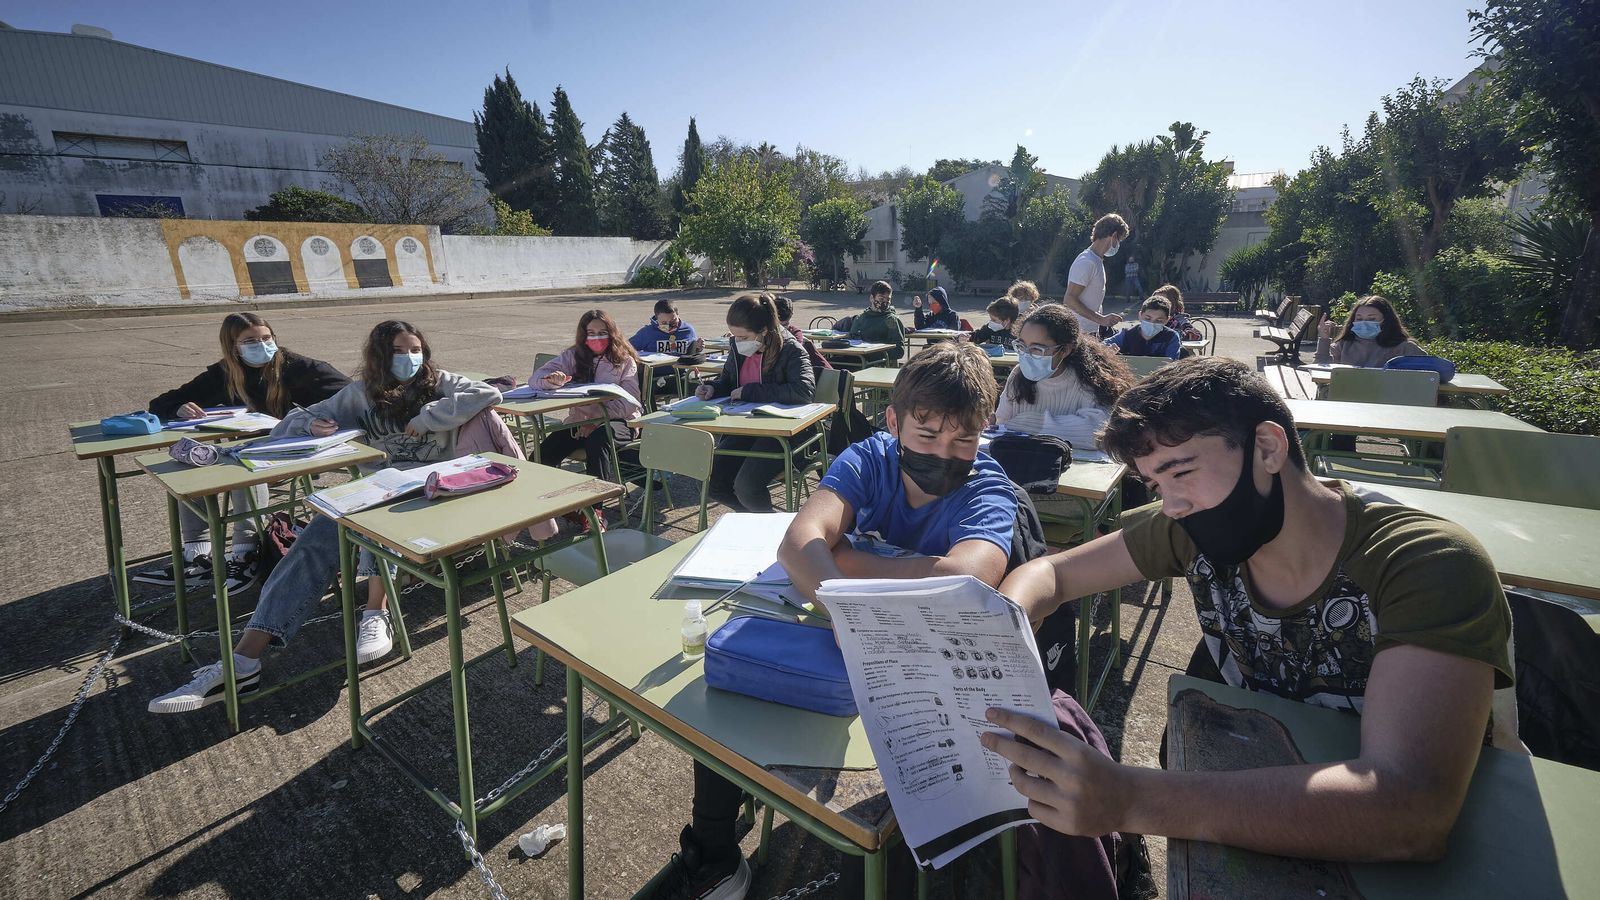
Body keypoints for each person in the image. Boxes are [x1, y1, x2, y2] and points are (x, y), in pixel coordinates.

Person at [986, 358, 1512, 877]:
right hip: (1260, 804)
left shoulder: (1425, 563)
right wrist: (1001, 622)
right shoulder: (1190, 526)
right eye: (1156, 486)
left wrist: (1129, 799)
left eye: (1182, 472)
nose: (1172, 505)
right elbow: (1050, 573)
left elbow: (1410, 810)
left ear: (1267, 447)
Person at [647, 341, 1018, 900]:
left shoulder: (986, 484)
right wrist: (850, 599)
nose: (944, 453)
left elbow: (967, 579)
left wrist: (844, 560)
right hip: (837, 641)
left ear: (982, 431)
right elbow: (799, 541)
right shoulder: (870, 459)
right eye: (926, 436)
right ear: (893, 422)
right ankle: (714, 854)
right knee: (739, 698)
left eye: (963, 440)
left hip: (922, 670)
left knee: (877, 799)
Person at [148, 320, 505, 714]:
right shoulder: (361, 393)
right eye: (398, 352)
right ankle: (242, 661)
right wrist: (311, 424)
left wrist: (428, 418)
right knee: (311, 543)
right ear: (379, 357)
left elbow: (487, 392)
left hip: (438, 488)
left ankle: (377, 612)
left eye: (415, 350)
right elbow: (290, 425)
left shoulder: (441, 383)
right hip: (379, 488)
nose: (409, 358)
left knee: (373, 523)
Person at [139, 312, 349, 592]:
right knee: (192, 458)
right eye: (250, 341)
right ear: (233, 347)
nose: (261, 345)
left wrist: (315, 421)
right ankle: (198, 556)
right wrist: (179, 407)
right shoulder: (224, 374)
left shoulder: (300, 368)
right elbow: (161, 402)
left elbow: (351, 395)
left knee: (243, 468)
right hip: (249, 450)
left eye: (266, 338)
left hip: (293, 452)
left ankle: (245, 553)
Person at [694, 293, 816, 513]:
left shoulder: (791, 349)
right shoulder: (738, 348)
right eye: (734, 336)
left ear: (764, 331)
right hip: (747, 428)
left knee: (747, 487)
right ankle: (756, 521)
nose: (737, 342)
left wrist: (750, 392)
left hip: (784, 433)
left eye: (743, 337)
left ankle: (769, 526)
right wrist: (713, 388)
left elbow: (803, 391)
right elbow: (729, 382)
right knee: (709, 481)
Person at [995, 304, 1133, 449]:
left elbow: (1099, 432)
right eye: (1021, 346)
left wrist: (1030, 424)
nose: (1026, 355)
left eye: (1037, 349)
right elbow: (1001, 424)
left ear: (1065, 350)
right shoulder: (1018, 374)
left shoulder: (1091, 381)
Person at [532, 309, 645, 479]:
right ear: (584, 335)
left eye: (602, 333)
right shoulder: (573, 356)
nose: (597, 338)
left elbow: (630, 402)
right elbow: (535, 378)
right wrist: (551, 380)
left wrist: (596, 421)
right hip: (579, 423)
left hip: (621, 421)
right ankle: (544, 492)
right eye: (591, 333)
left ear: (612, 333)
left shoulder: (624, 360)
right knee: (542, 454)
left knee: (598, 442)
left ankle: (598, 495)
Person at [1064, 213, 1130, 337]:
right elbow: (1069, 300)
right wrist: (1101, 319)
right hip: (1079, 333)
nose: (1118, 245)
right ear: (1114, 236)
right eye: (1119, 240)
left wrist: (1101, 321)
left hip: (1089, 332)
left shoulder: (1096, 260)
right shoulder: (1087, 261)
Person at [1315, 295, 1426, 367]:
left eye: (1371, 319)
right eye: (1359, 319)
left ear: (1386, 320)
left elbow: (1429, 373)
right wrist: (1324, 339)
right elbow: (1320, 370)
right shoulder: (1343, 345)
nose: (1364, 323)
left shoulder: (1405, 347)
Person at [846, 280, 908, 362]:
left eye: (888, 299)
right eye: (881, 298)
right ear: (872, 298)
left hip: (879, 362)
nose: (885, 302)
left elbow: (899, 351)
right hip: (858, 359)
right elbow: (852, 340)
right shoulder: (860, 318)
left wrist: (874, 352)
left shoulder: (891, 320)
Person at [1104, 296, 1182, 360]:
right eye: (1148, 318)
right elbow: (1102, 346)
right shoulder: (1127, 334)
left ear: (1167, 320)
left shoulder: (1171, 337)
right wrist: (1107, 351)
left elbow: (1172, 365)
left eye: (1159, 320)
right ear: (1140, 315)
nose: (1152, 323)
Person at [772, 293, 831, 373]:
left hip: (815, 373)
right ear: (791, 314)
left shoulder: (794, 333)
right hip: (820, 371)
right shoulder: (795, 332)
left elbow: (794, 352)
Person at [629, 298, 699, 355]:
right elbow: (626, 349)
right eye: (664, 323)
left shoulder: (688, 330)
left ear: (678, 315)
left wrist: (698, 348)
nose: (670, 326)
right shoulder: (647, 333)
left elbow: (693, 353)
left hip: (681, 368)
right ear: (657, 319)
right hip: (656, 368)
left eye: (673, 321)